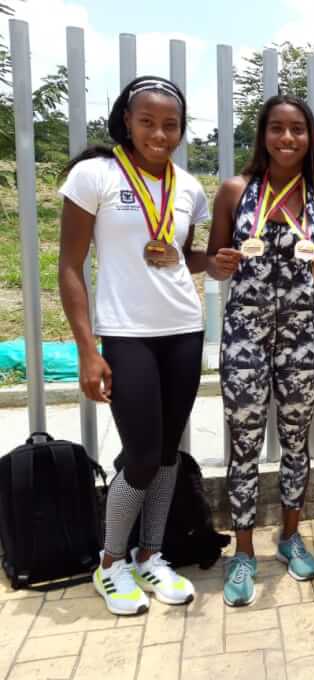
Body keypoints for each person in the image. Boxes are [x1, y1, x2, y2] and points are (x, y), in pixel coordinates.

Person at [58, 76, 207, 615]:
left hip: (184, 329)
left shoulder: (188, 187)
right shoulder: (94, 175)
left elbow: (181, 255)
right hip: (126, 335)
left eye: (170, 125)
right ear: (127, 120)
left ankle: (151, 554)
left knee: (166, 455)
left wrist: (213, 261)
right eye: (147, 122)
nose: (159, 134)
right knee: (141, 456)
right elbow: (69, 267)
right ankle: (110, 562)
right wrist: (87, 349)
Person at [207, 95, 314, 607]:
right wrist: (220, 264)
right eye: (277, 128)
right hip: (244, 335)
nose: (287, 138)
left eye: (298, 129)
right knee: (243, 444)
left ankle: (289, 536)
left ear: (310, 138)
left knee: (295, 441)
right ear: (263, 134)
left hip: (302, 338)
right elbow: (215, 261)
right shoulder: (235, 192)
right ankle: (243, 552)